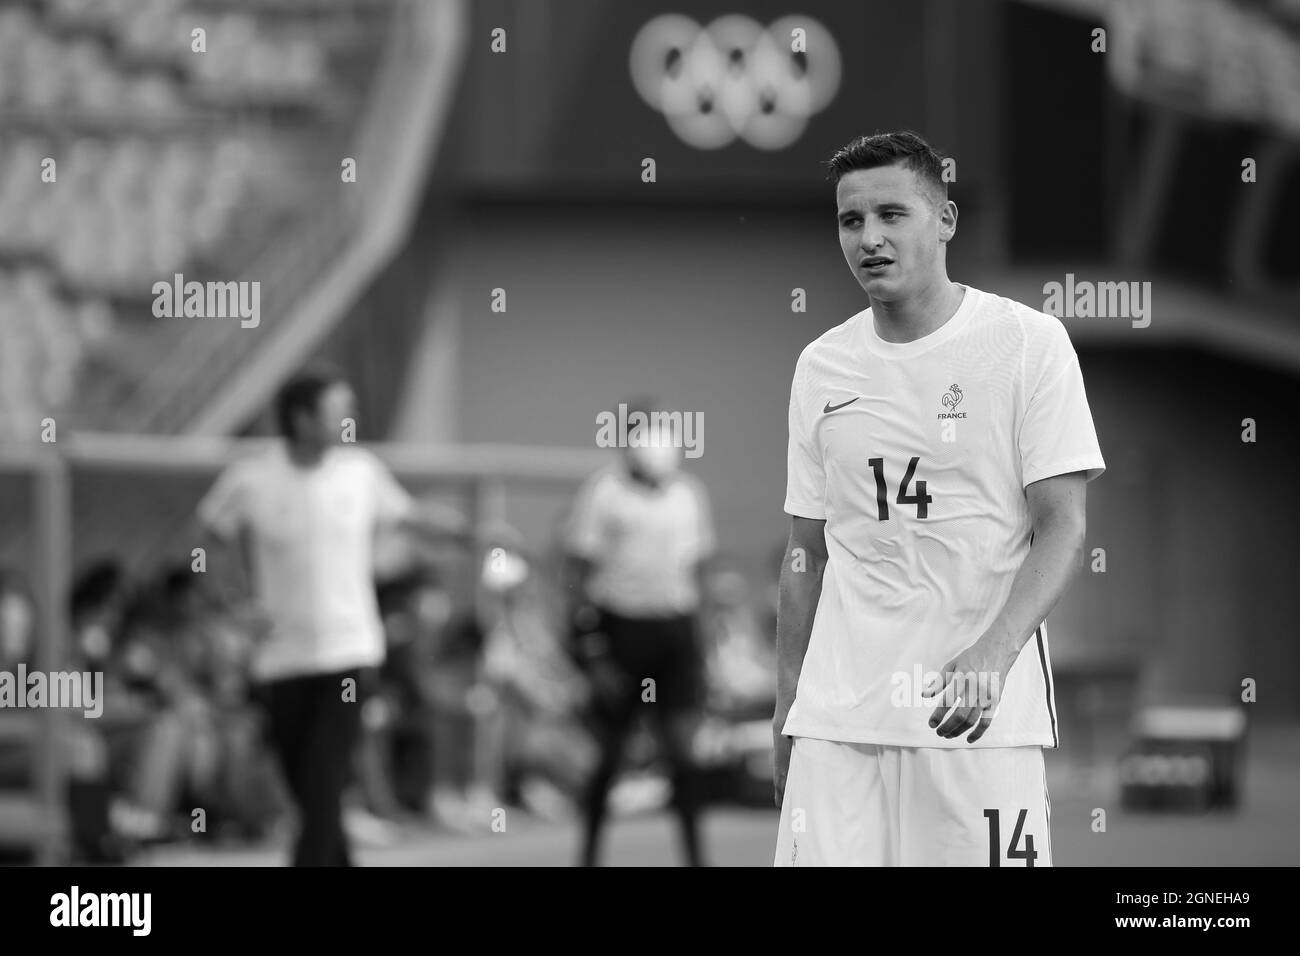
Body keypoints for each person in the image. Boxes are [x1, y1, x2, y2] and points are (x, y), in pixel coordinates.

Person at [773, 131, 1106, 867]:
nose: (870, 239)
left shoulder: (1028, 345)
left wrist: (995, 650)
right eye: (850, 221)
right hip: (839, 720)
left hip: (976, 720)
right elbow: (806, 551)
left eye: (893, 215)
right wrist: (787, 706)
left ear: (945, 220)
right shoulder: (821, 365)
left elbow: (1062, 528)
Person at [195, 362, 473, 866]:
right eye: (337, 410)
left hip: (347, 654)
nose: (350, 418)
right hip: (281, 659)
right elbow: (210, 538)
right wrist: (233, 605)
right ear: (302, 419)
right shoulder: (252, 478)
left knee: (323, 788)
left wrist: (473, 534)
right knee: (311, 796)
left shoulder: (360, 472)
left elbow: (411, 517)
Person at [565, 400, 716, 866]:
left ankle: (695, 856)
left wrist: (702, 647)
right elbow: (577, 576)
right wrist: (591, 653)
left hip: (674, 633)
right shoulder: (603, 493)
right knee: (610, 756)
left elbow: (699, 572)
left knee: (684, 755)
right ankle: (588, 855)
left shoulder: (688, 494)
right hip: (621, 631)